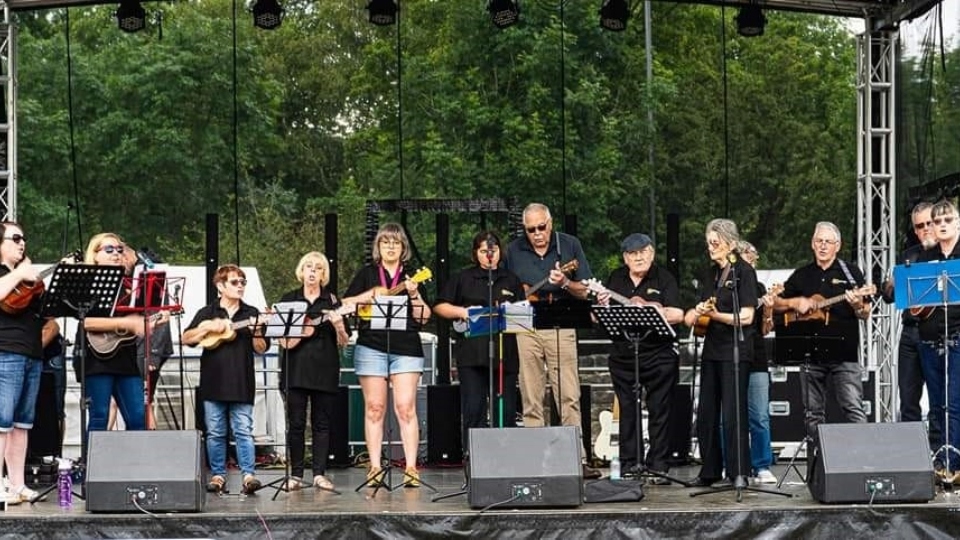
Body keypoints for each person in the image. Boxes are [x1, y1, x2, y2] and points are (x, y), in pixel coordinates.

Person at [501, 203, 600, 479]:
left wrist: (566, 282)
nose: (537, 234)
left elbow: (586, 290)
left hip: (562, 322)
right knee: (531, 395)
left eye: (541, 227)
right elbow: (505, 287)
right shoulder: (513, 250)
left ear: (550, 223)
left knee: (568, 394)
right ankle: (535, 458)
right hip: (527, 323)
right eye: (530, 229)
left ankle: (575, 459)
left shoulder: (569, 245)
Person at [342, 223, 431, 488]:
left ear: (403, 248)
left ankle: (412, 466)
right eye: (385, 242)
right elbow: (346, 305)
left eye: (396, 242)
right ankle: (375, 466)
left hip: (406, 347)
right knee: (374, 408)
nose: (390, 247)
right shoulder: (367, 274)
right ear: (378, 247)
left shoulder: (413, 275)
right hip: (371, 345)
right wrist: (371, 295)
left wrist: (414, 294)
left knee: (405, 407)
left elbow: (424, 317)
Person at [773, 222, 869, 454]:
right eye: (819, 241)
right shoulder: (801, 275)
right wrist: (795, 303)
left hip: (844, 352)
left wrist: (857, 303)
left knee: (853, 407)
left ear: (838, 246)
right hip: (809, 352)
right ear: (812, 244)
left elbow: (865, 312)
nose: (823, 246)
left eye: (828, 242)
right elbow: (776, 304)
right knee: (813, 413)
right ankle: (818, 463)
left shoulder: (851, 272)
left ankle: (864, 459)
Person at [595, 233, 684, 484]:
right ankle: (629, 463)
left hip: (659, 355)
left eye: (643, 252)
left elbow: (679, 313)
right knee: (627, 410)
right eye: (633, 254)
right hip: (624, 356)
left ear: (652, 253)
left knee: (659, 410)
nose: (639, 257)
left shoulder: (664, 278)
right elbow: (598, 319)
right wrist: (602, 305)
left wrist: (654, 308)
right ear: (625, 258)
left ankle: (658, 466)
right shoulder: (615, 279)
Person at [434, 231, 525, 456]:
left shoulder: (510, 279)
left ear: (500, 252)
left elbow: (522, 313)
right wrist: (463, 312)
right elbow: (439, 306)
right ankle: (473, 458)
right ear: (476, 253)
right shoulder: (463, 278)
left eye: (492, 251)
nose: (489, 255)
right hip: (472, 354)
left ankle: (506, 456)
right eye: (484, 251)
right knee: (474, 407)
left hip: (505, 353)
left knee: (505, 408)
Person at [74, 234, 169, 451]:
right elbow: (86, 322)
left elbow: (135, 326)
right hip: (96, 358)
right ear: (95, 255)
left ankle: (135, 468)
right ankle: (93, 470)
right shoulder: (87, 282)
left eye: (119, 249)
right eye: (109, 249)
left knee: (137, 417)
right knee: (99, 416)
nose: (116, 253)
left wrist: (150, 323)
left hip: (125, 357)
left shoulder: (129, 284)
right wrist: (127, 323)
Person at [182, 264, 269, 495]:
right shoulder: (207, 312)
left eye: (243, 282)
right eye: (234, 282)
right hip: (213, 380)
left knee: (243, 429)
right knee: (215, 431)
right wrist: (208, 328)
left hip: (242, 380)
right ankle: (218, 475)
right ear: (220, 286)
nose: (240, 286)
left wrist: (258, 330)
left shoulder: (252, 313)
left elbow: (261, 348)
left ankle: (248, 475)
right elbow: (186, 338)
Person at [683, 219, 757, 487]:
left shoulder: (744, 272)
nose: (711, 248)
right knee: (706, 412)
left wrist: (717, 315)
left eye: (716, 243)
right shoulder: (710, 274)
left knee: (733, 414)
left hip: (736, 350)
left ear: (731, 244)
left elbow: (747, 316)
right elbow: (696, 313)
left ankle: (739, 472)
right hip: (712, 349)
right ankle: (710, 470)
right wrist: (699, 312)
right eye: (709, 243)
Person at [276, 251, 350, 491]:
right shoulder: (289, 299)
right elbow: (280, 338)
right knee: (296, 423)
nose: (312, 271)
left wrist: (338, 324)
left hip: (325, 369)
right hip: (295, 369)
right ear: (301, 271)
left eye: (317, 268)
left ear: (323, 274)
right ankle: (296, 474)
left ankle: (319, 473)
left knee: (322, 423)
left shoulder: (332, 302)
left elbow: (344, 341)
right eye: (308, 266)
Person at [0, 222, 60, 505]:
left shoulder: (26, 279)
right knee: (1, 422)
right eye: (15, 238)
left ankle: (16, 484)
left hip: (32, 353)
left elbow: (46, 311)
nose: (22, 243)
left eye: (24, 238)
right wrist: (21, 273)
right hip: (5, 352)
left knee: (22, 424)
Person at [881, 201, 939, 450]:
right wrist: (891, 283)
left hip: (938, 332)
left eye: (929, 223)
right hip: (910, 332)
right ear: (915, 230)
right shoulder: (908, 255)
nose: (925, 229)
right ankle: (912, 454)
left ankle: (940, 454)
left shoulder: (948, 253)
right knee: (908, 396)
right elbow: (887, 295)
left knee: (939, 399)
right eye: (920, 226)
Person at [914, 200, 960, 477]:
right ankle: (942, 458)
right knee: (936, 402)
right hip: (929, 336)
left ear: (957, 223)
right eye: (937, 221)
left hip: (957, 334)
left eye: (947, 220)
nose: (941, 225)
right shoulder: (924, 257)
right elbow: (913, 300)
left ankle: (954, 461)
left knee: (954, 401)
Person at [739, 241, 776, 484]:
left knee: (759, 415)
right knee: (729, 417)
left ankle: (762, 464)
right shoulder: (726, 286)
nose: (753, 263)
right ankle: (731, 464)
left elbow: (765, 329)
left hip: (757, 357)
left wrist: (769, 310)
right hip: (731, 355)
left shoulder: (760, 288)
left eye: (754, 259)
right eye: (750, 258)